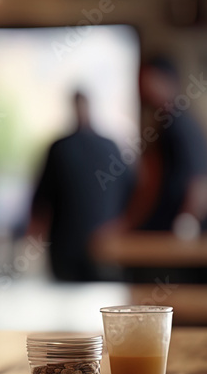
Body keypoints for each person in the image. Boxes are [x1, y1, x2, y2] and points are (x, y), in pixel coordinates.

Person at [28, 91, 135, 281]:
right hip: (104, 245)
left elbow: (41, 201)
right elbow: (131, 194)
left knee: (71, 303)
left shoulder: (60, 148)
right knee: (105, 301)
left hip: (68, 247)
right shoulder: (110, 147)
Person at [122, 56, 207, 236]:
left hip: (179, 233)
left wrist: (185, 226)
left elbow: (200, 186)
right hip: (163, 228)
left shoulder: (180, 125)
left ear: (167, 81)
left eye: (149, 80)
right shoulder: (163, 126)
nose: (143, 89)